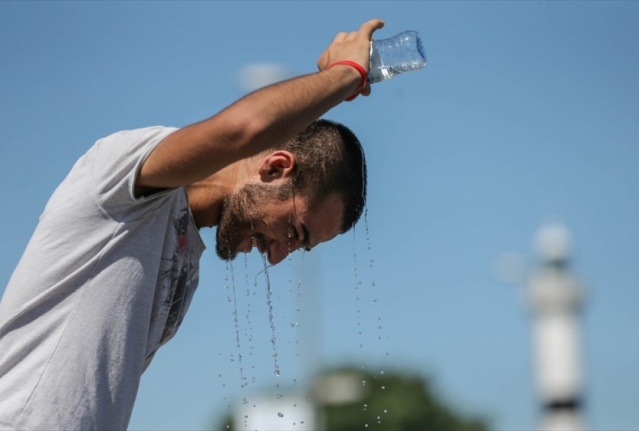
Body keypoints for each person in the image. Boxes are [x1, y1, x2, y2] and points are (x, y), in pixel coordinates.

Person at [0, 18, 385, 430]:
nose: (276, 257)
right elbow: (244, 129)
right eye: (294, 232)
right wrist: (346, 74)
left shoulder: (186, 262)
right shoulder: (124, 178)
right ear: (275, 169)